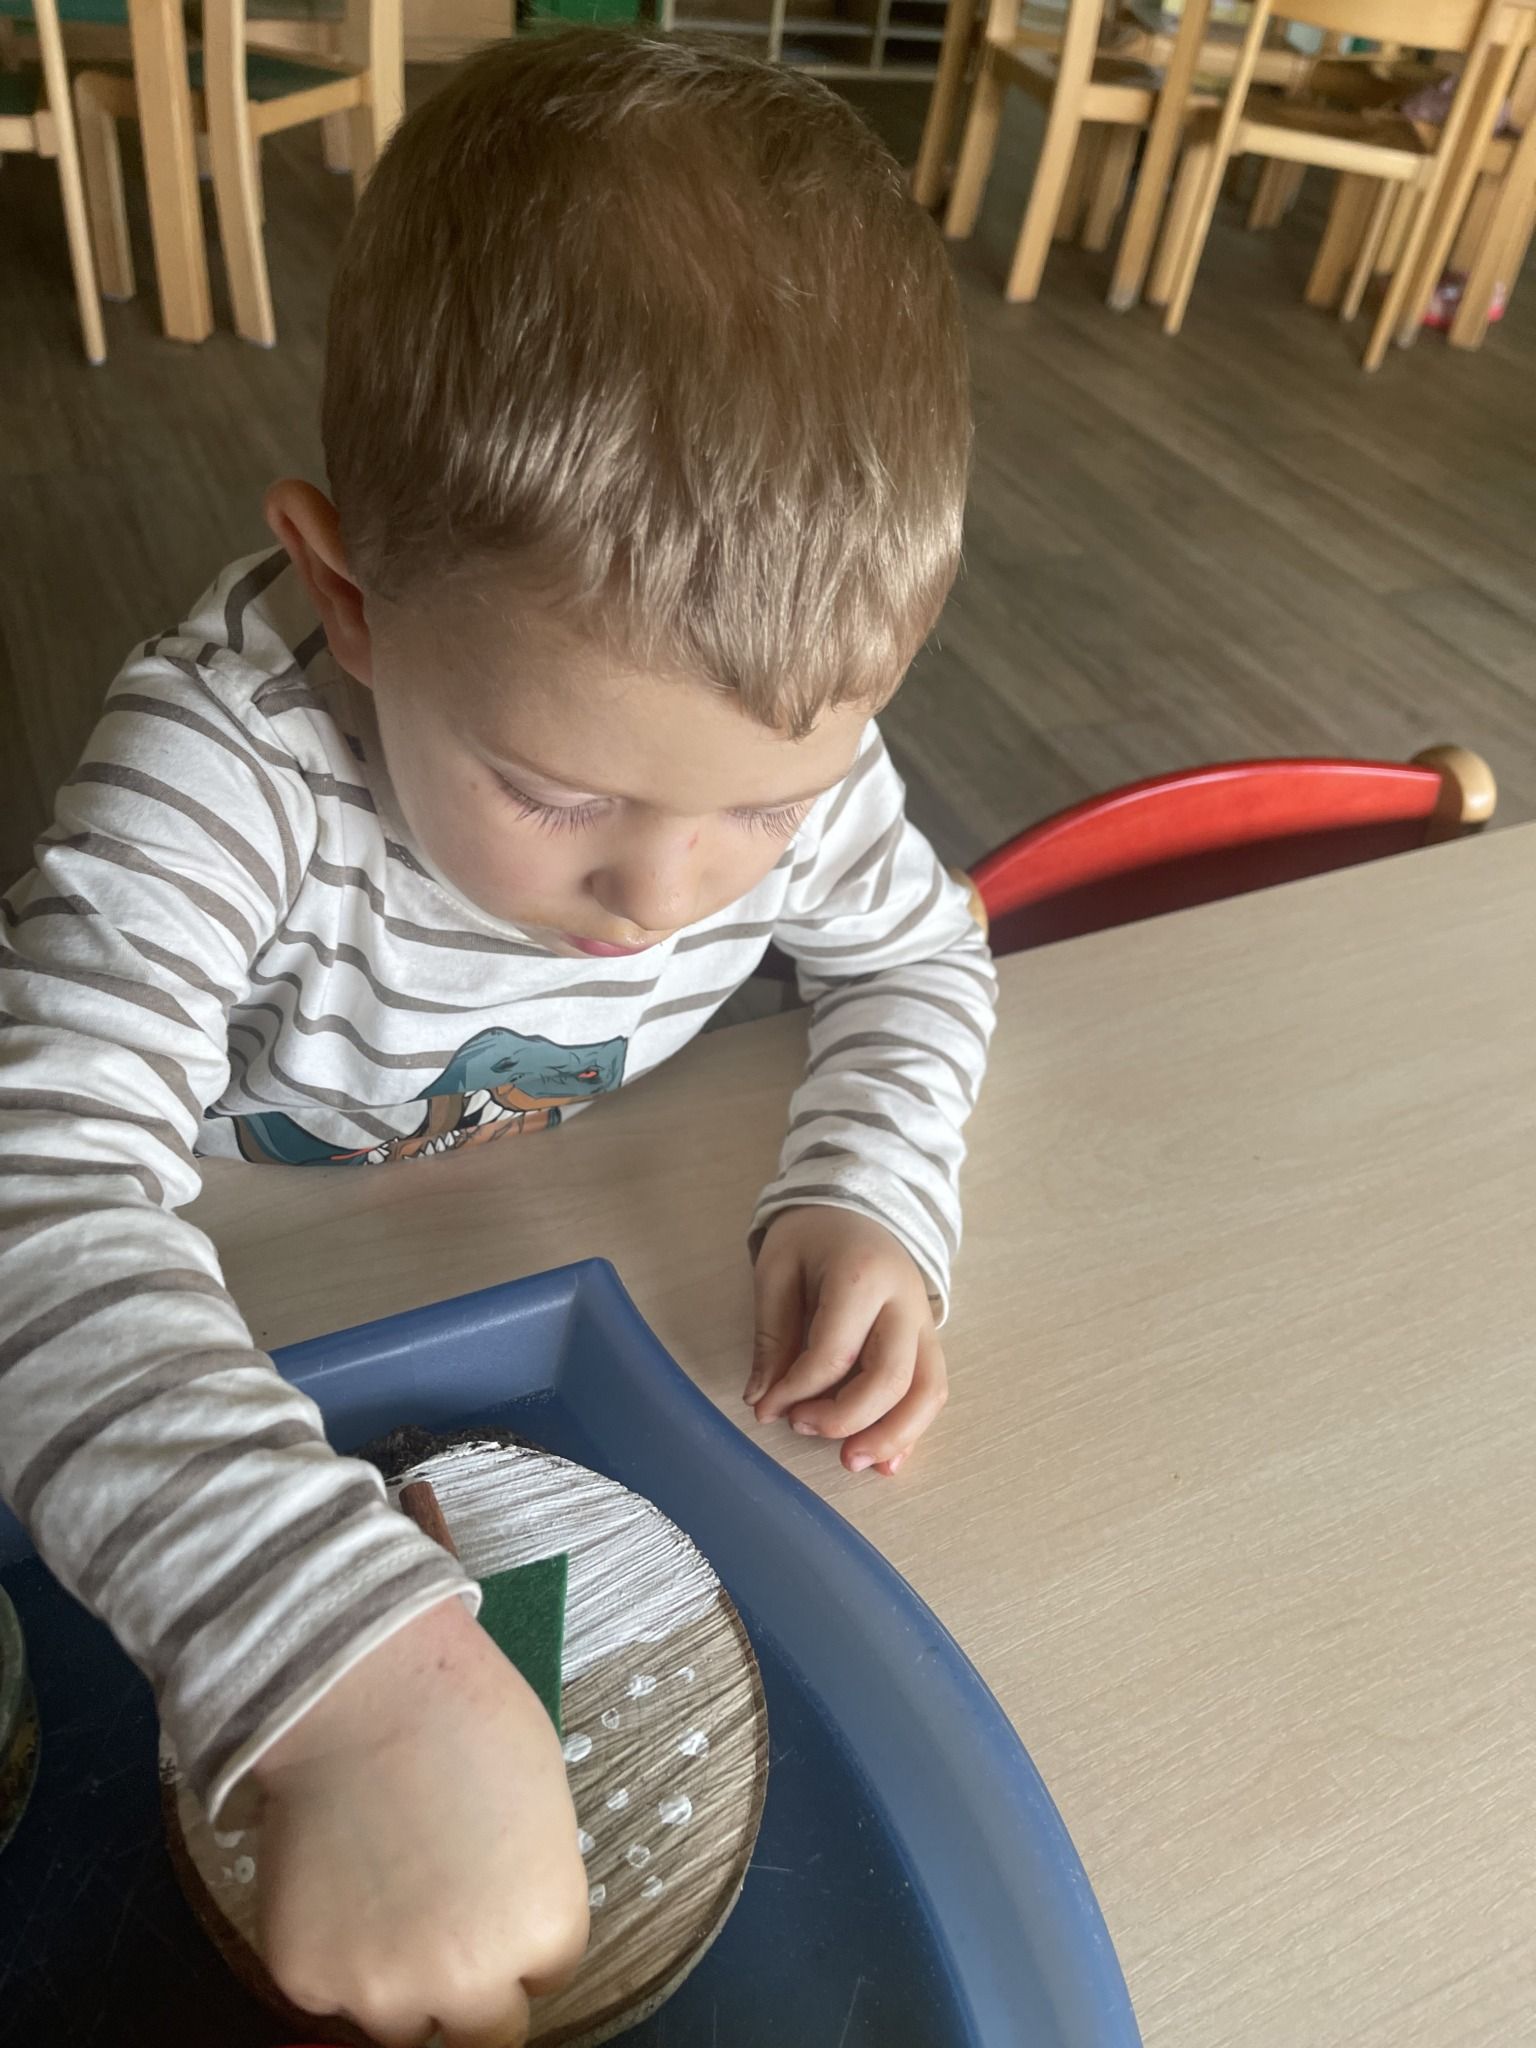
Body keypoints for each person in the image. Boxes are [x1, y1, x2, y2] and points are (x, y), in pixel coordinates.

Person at [0, 30, 993, 2046]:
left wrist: (868, 1187)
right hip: (239, 1273)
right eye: (557, 791)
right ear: (349, 591)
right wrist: (341, 1672)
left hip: (501, 1264)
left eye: (768, 809)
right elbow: (36, 1187)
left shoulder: (772, 777)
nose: (667, 894)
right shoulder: (230, 770)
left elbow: (923, 959)